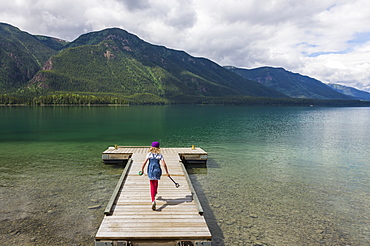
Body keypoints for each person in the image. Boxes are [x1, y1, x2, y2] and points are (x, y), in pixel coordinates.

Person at [140, 141, 170, 210]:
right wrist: (167, 172)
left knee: (151, 184)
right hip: (157, 170)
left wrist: (142, 170)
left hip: (150, 170)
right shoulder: (160, 155)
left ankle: (153, 200)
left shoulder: (149, 154)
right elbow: (164, 164)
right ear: (158, 148)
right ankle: (155, 192)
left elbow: (144, 162)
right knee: (156, 182)